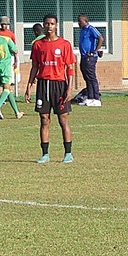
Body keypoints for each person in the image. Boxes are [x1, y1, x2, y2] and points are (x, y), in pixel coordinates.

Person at [26, 14, 76, 164]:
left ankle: (68, 153)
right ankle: (45, 154)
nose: (49, 27)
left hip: (60, 85)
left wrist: (69, 89)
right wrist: (29, 86)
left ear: (56, 25)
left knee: (63, 119)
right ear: (43, 25)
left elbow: (70, 68)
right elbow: (35, 67)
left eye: (52, 24)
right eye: (47, 24)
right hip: (43, 85)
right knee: (44, 120)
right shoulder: (38, 45)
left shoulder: (64, 44)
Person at [76, 14, 104, 107]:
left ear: (85, 21)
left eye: (80, 21)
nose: (78, 23)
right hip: (83, 57)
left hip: (90, 57)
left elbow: (100, 38)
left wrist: (95, 51)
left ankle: (96, 98)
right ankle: (90, 97)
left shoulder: (90, 28)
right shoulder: (82, 31)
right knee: (87, 77)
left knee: (92, 78)